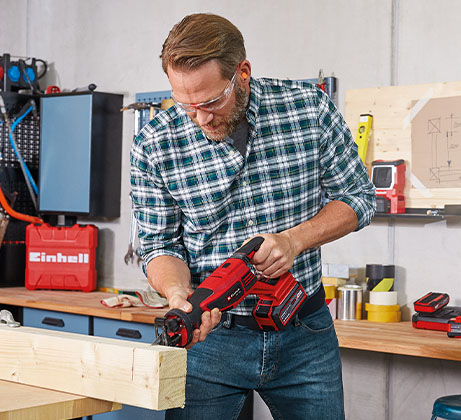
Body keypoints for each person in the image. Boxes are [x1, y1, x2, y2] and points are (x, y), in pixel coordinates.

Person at [130, 13, 375, 420]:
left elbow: (359, 197)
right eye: (186, 105)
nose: (201, 118)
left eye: (210, 102)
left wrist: (295, 240)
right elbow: (158, 245)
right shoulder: (154, 144)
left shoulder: (308, 108)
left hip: (304, 334)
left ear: (242, 74)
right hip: (210, 341)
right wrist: (179, 296)